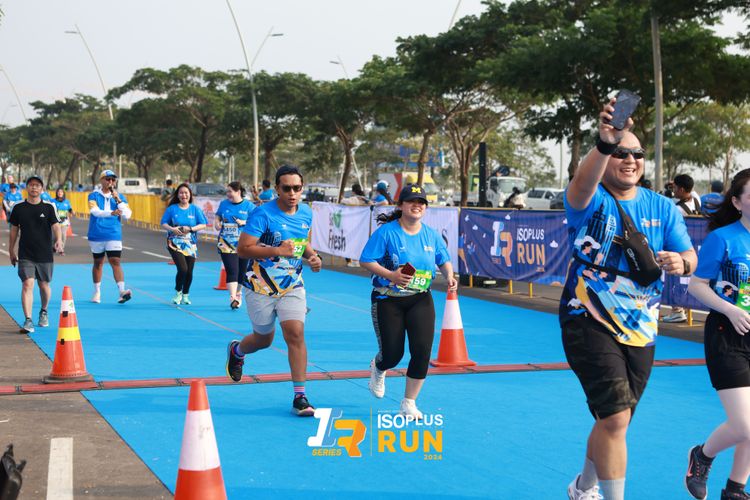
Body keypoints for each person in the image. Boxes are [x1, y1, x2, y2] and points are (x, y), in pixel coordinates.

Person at [561, 97, 696, 500]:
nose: (630, 160)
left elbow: (690, 256)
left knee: (614, 419)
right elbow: (581, 185)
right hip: (587, 316)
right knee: (617, 416)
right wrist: (604, 141)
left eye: (636, 154)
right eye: (620, 153)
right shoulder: (589, 199)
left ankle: (583, 486)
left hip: (641, 325)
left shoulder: (663, 207)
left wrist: (682, 262)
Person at [224, 165, 323, 416]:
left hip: (292, 284)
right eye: (286, 188)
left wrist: (313, 256)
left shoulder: (306, 212)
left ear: (302, 188)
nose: (292, 193)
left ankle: (300, 396)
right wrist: (278, 250)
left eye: (297, 188)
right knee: (263, 340)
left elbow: (301, 242)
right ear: (277, 189)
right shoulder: (262, 214)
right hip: (260, 285)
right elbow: (243, 249)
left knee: (295, 333)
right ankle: (237, 351)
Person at [359, 184, 456, 419]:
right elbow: (365, 260)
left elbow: (443, 259)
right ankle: (379, 366)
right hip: (388, 299)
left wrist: (449, 275)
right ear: (401, 205)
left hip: (420, 298)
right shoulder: (387, 232)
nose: (417, 205)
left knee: (422, 351)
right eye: (412, 201)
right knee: (393, 354)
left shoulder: (431, 235)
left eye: (421, 202)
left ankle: (409, 402)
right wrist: (391, 275)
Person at [684, 169, 750, 500]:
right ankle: (703, 455)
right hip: (727, 334)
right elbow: (696, 286)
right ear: (737, 202)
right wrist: (731, 310)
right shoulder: (723, 238)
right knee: (744, 424)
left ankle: (736, 489)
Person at [8, 175, 64, 333]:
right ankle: (28, 320)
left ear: (42, 188)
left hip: (45, 253)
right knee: (27, 284)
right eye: (31, 185)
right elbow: (14, 230)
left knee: (44, 285)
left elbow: (56, 226)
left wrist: (59, 240)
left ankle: (44, 311)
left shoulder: (49, 207)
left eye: (37, 185)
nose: (34, 187)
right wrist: (11, 250)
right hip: (26, 253)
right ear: (27, 187)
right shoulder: (18, 207)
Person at [88, 170, 133, 304]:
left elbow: (127, 215)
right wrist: (111, 213)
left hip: (113, 233)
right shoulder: (93, 195)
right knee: (98, 262)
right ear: (101, 180)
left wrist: (118, 200)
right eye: (108, 179)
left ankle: (122, 291)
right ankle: (97, 291)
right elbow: (95, 211)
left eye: (113, 180)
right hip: (97, 233)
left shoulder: (120, 197)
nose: (110, 182)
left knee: (115, 261)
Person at [160, 183, 208, 305]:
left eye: (186, 193)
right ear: (177, 195)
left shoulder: (195, 209)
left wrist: (191, 229)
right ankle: (178, 293)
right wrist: (172, 229)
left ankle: (186, 295)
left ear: (190, 195)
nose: (184, 195)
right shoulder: (172, 209)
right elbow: (163, 223)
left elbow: (203, 224)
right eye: (181, 193)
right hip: (174, 243)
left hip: (190, 243)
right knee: (183, 269)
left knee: (189, 272)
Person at [662, 173, 700, 324]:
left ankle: (677, 310)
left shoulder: (677, 209)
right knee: (685, 280)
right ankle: (682, 309)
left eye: (676, 188)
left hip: (678, 248)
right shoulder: (696, 199)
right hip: (692, 247)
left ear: (682, 189)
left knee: (674, 279)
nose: (673, 191)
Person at [214, 181, 254, 309]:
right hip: (226, 242)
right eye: (227, 192)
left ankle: (238, 293)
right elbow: (218, 216)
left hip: (244, 244)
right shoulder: (224, 204)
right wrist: (217, 223)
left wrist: (244, 222)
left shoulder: (249, 206)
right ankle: (233, 298)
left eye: (230, 191)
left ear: (238, 192)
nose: (228, 194)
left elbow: (257, 221)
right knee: (232, 270)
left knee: (242, 272)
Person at [341, 183, 372, 267]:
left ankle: (353, 260)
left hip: (353, 224)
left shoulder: (354, 198)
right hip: (364, 225)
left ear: (353, 191)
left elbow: (343, 201)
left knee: (351, 242)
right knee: (361, 242)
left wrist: (342, 198)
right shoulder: (365, 199)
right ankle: (359, 260)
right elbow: (371, 203)